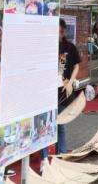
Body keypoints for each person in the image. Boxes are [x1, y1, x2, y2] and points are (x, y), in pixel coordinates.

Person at [40, 18, 81, 170]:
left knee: (61, 125)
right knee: (45, 126)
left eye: (62, 31)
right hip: (46, 92)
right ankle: (44, 160)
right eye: (57, 31)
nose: (59, 34)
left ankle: (60, 158)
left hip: (64, 91)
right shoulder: (44, 47)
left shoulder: (70, 47)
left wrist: (70, 82)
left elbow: (76, 66)